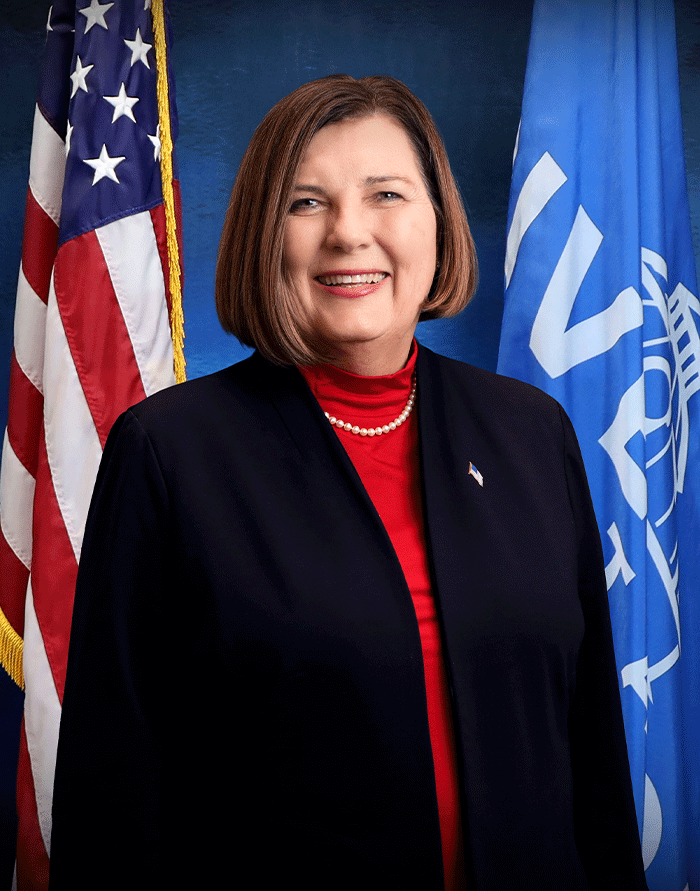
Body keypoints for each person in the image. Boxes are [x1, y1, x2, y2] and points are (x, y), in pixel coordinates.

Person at [50, 75, 647, 890]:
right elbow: (112, 796)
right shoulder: (169, 454)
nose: (349, 234)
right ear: (265, 233)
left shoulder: (531, 433)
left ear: (438, 221)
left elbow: (592, 759)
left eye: (387, 194)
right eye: (306, 202)